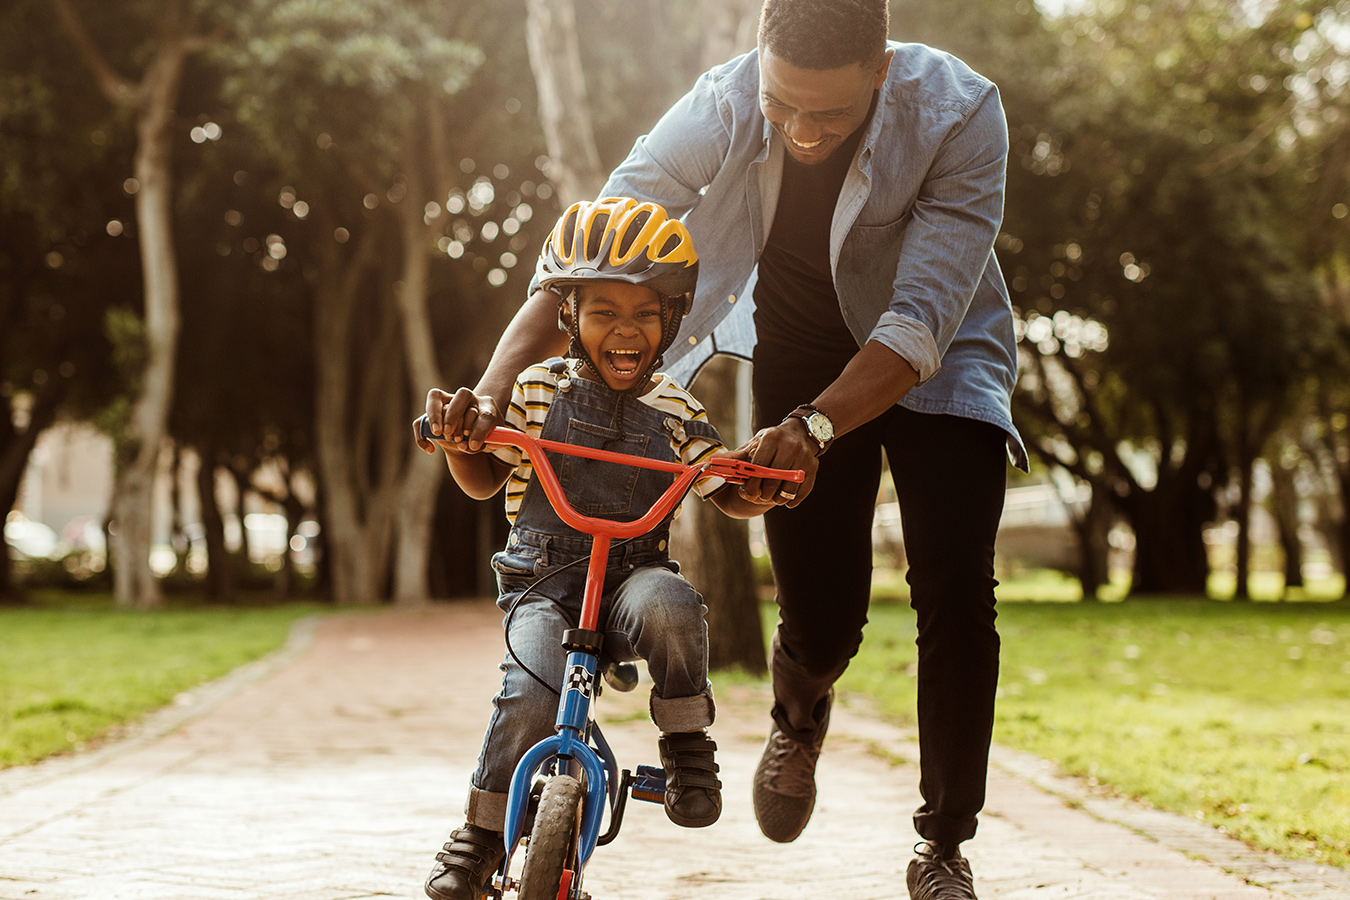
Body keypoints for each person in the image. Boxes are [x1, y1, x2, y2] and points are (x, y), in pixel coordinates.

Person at [444, 3, 1028, 897]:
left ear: (881, 71)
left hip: (938, 352)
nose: (800, 131)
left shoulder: (957, 112)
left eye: (828, 116)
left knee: (954, 584)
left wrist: (818, 429)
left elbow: (919, 323)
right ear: (759, 64)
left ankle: (944, 845)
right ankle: (801, 709)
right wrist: (489, 392)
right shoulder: (722, 104)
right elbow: (587, 252)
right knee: (824, 618)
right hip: (802, 349)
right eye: (782, 105)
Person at [415, 197, 778, 900]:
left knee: (673, 605)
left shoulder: (676, 408)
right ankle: (482, 834)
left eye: (645, 313)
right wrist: (461, 442)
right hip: (542, 585)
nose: (625, 329)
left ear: (672, 320)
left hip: (630, 583)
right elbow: (485, 478)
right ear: (569, 318)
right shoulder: (532, 388)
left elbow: (719, 484)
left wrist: (753, 486)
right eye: (604, 311)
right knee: (529, 690)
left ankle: (685, 746)